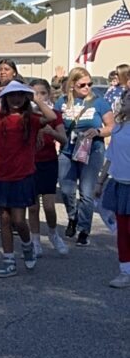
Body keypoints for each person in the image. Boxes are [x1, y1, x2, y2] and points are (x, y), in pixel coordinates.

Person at [0, 81, 54, 277]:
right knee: (5, 218)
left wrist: (35, 99)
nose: (16, 99)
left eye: (20, 95)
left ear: (25, 97)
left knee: (19, 220)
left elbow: (51, 116)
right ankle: (8, 260)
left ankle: (27, 246)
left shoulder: (31, 118)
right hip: (1, 174)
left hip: (22, 175)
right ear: (5, 99)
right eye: (11, 96)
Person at [56, 66, 116, 246]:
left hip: (93, 150)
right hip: (68, 150)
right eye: (83, 84)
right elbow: (56, 124)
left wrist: (97, 131)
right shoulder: (62, 102)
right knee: (66, 190)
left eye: (90, 84)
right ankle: (73, 217)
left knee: (86, 193)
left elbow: (111, 127)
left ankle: (83, 229)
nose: (87, 87)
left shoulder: (99, 102)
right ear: (72, 85)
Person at [27, 78, 68, 256]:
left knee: (49, 205)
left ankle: (53, 233)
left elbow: (64, 139)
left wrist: (52, 132)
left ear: (49, 94)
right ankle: (35, 240)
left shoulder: (54, 114)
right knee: (33, 206)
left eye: (42, 93)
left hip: (49, 161)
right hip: (30, 162)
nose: (39, 97)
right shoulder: (27, 115)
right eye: (35, 94)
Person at [96, 95, 130, 287]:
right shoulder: (118, 129)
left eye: (129, 98)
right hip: (120, 185)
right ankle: (125, 271)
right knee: (122, 231)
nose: (124, 102)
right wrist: (100, 183)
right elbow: (110, 158)